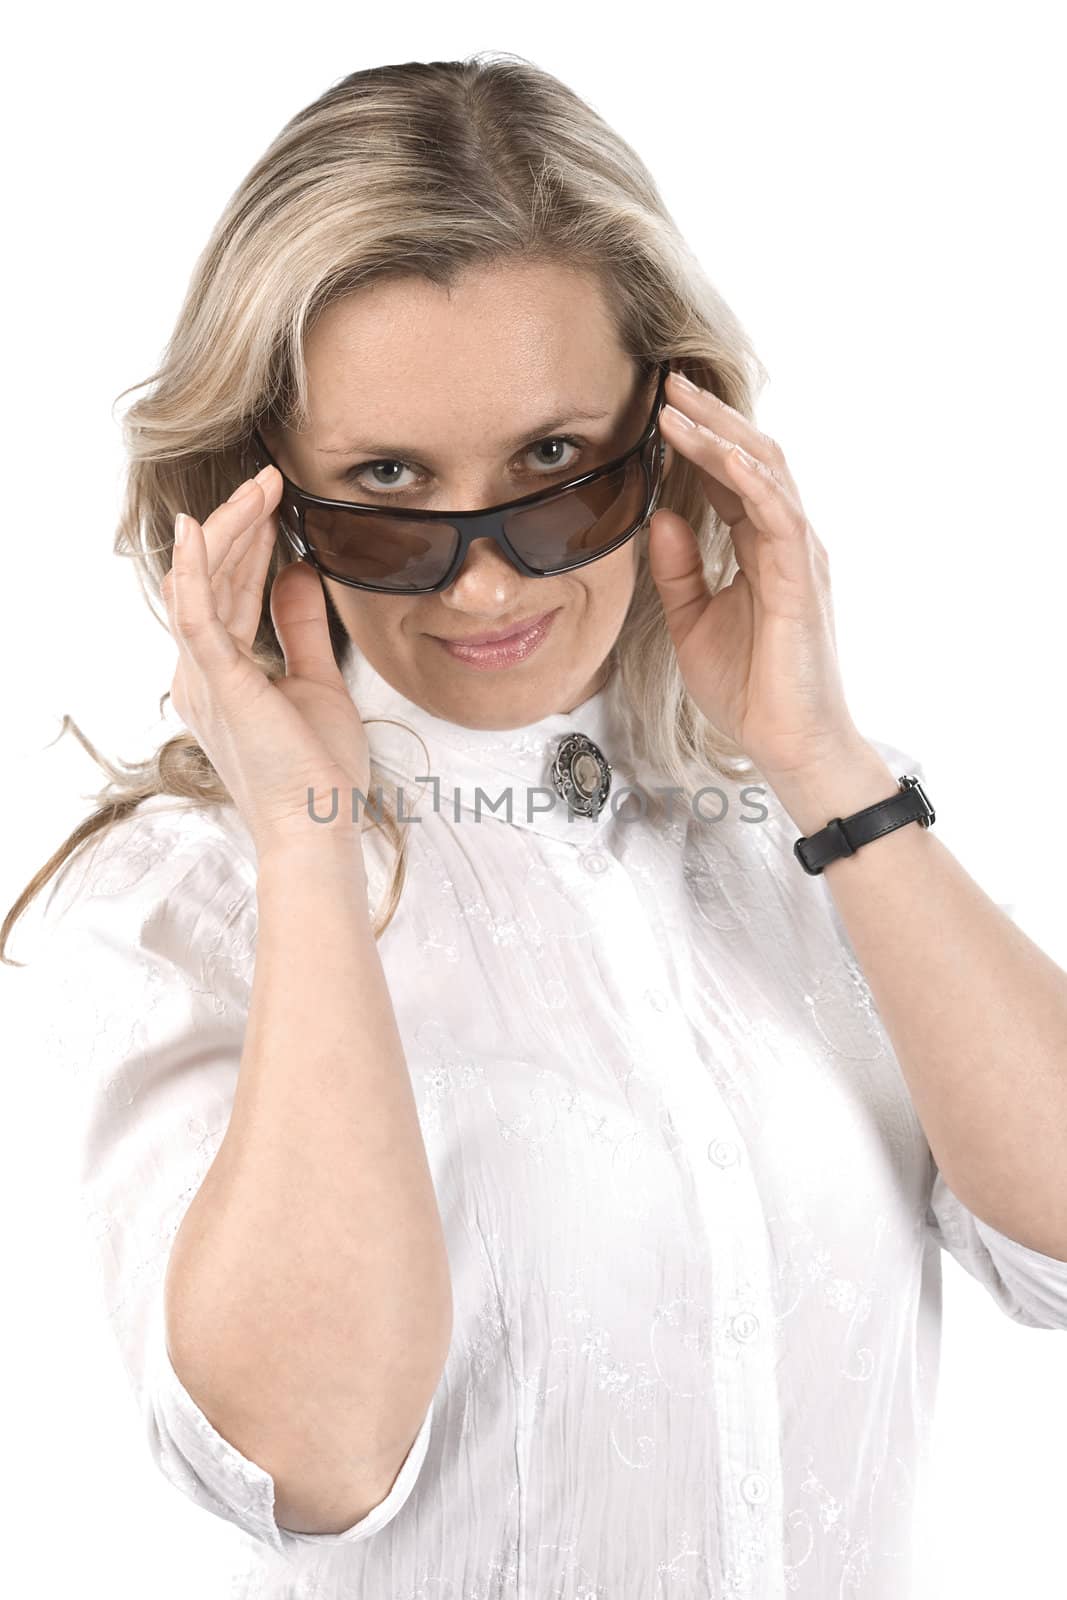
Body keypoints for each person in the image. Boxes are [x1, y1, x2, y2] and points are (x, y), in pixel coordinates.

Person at [7, 51, 1067, 1600]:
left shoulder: (814, 822)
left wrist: (822, 762)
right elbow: (316, 1458)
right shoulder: (183, 901)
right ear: (267, 502)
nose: (488, 582)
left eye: (557, 469)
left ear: (678, 434)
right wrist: (308, 840)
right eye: (386, 487)